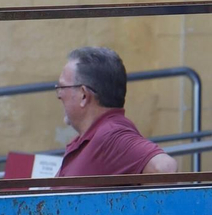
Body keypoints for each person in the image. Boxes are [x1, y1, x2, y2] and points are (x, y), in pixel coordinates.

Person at [54, 46, 179, 177]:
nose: (59, 95)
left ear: (84, 95)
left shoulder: (111, 135)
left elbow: (165, 168)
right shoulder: (94, 137)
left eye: (63, 87)